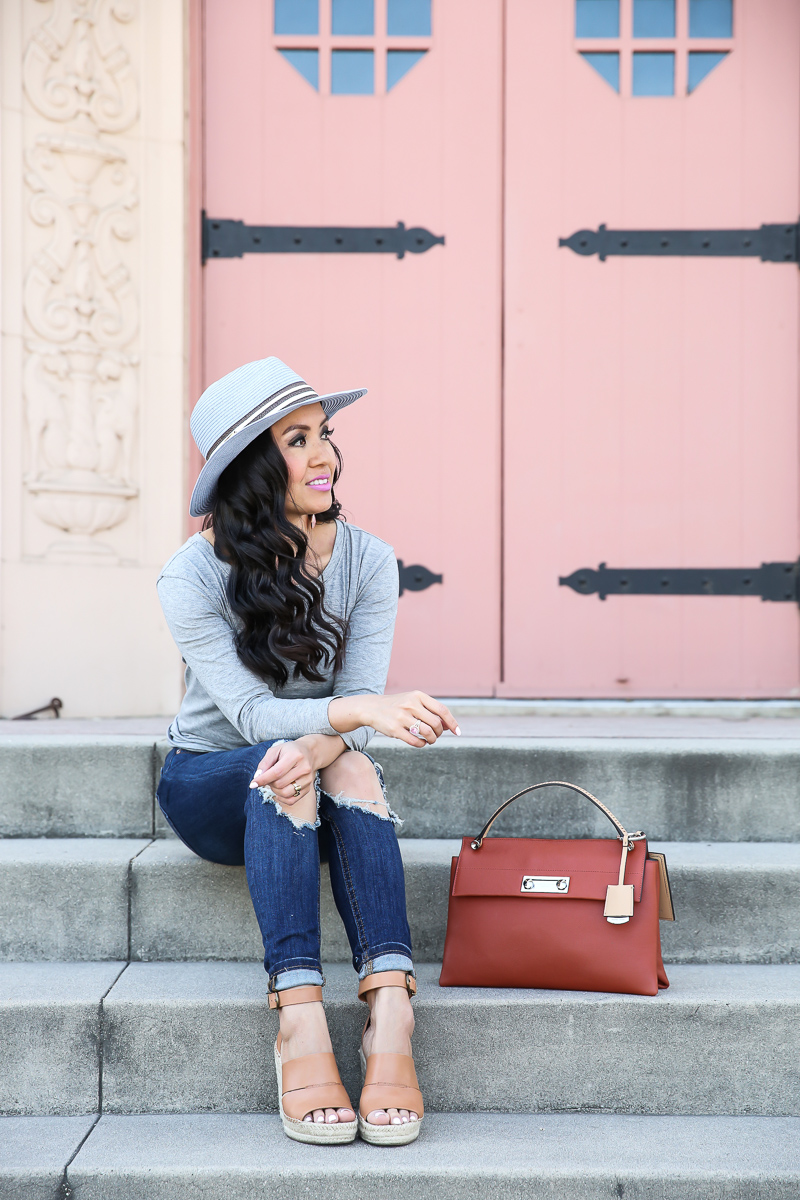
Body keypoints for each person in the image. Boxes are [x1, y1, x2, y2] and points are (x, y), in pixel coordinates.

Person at [156, 357, 459, 1146]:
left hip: (315, 770)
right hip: (212, 781)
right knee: (283, 768)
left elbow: (349, 734)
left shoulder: (369, 560)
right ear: (253, 466)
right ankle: (297, 1019)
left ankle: (389, 1013)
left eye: (324, 433)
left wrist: (341, 733)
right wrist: (358, 710)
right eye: (298, 439)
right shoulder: (190, 576)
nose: (325, 454)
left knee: (344, 764)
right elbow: (255, 714)